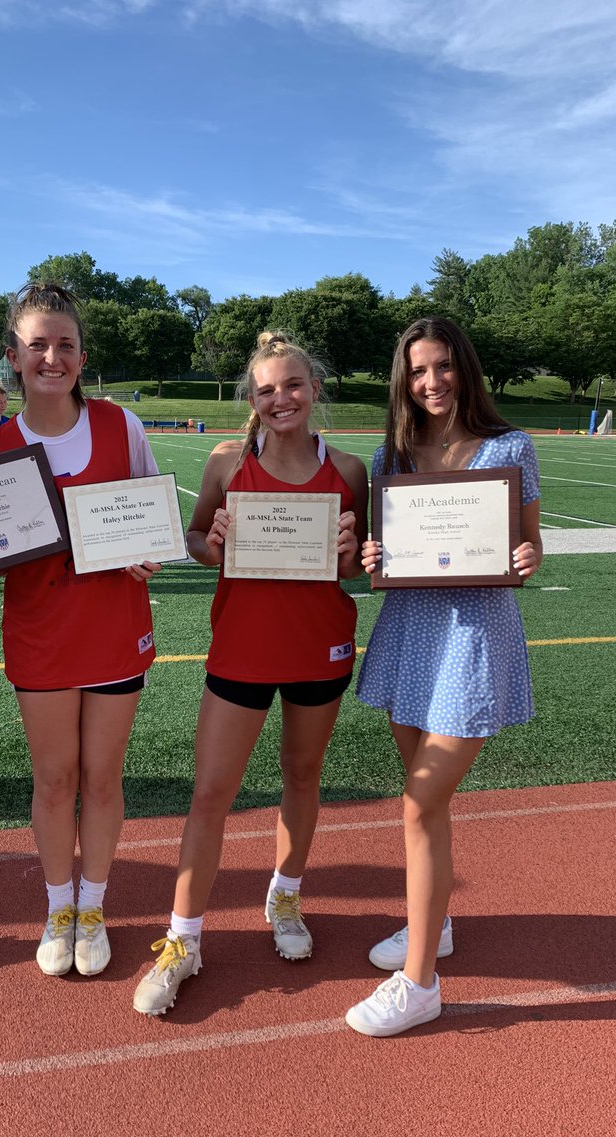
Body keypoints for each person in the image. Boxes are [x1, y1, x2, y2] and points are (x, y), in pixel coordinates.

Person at [133, 331, 367, 1017]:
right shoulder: (226, 461)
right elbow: (198, 540)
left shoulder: (350, 469)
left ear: (315, 389)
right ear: (252, 399)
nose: (280, 399)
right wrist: (218, 540)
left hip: (320, 647)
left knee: (302, 776)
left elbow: (356, 569)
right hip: (242, 647)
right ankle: (183, 941)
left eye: (292, 386)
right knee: (210, 794)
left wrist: (354, 552)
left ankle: (285, 896)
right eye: (266, 390)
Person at [345, 316, 543, 1037]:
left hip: (473, 640)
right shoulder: (390, 455)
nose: (432, 383)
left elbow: (532, 548)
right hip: (410, 635)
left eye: (444, 367)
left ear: (467, 369)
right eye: (419, 370)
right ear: (405, 378)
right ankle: (439, 924)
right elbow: (383, 568)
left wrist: (525, 561)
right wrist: (374, 560)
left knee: (419, 806)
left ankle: (421, 983)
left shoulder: (510, 447)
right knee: (423, 806)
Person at [0, 282, 159, 978]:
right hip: (40, 635)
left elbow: (148, 515)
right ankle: (59, 909)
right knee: (55, 779)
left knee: (103, 777)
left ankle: (94, 907)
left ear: (82, 357)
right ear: (13, 358)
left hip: (115, 631)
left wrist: (149, 550)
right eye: (37, 346)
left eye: (64, 345)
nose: (51, 357)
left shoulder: (122, 426)